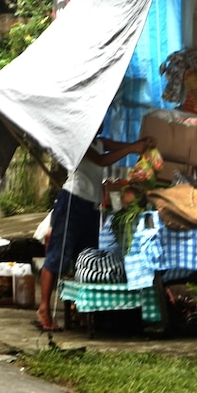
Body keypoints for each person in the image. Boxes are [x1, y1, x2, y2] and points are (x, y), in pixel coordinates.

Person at [37, 129, 156, 332]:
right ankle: (44, 309)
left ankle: (81, 311)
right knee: (57, 256)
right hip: (72, 202)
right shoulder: (78, 140)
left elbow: (114, 148)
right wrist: (132, 148)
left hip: (91, 206)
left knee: (85, 258)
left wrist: (140, 144)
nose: (100, 125)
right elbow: (101, 161)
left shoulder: (100, 141)